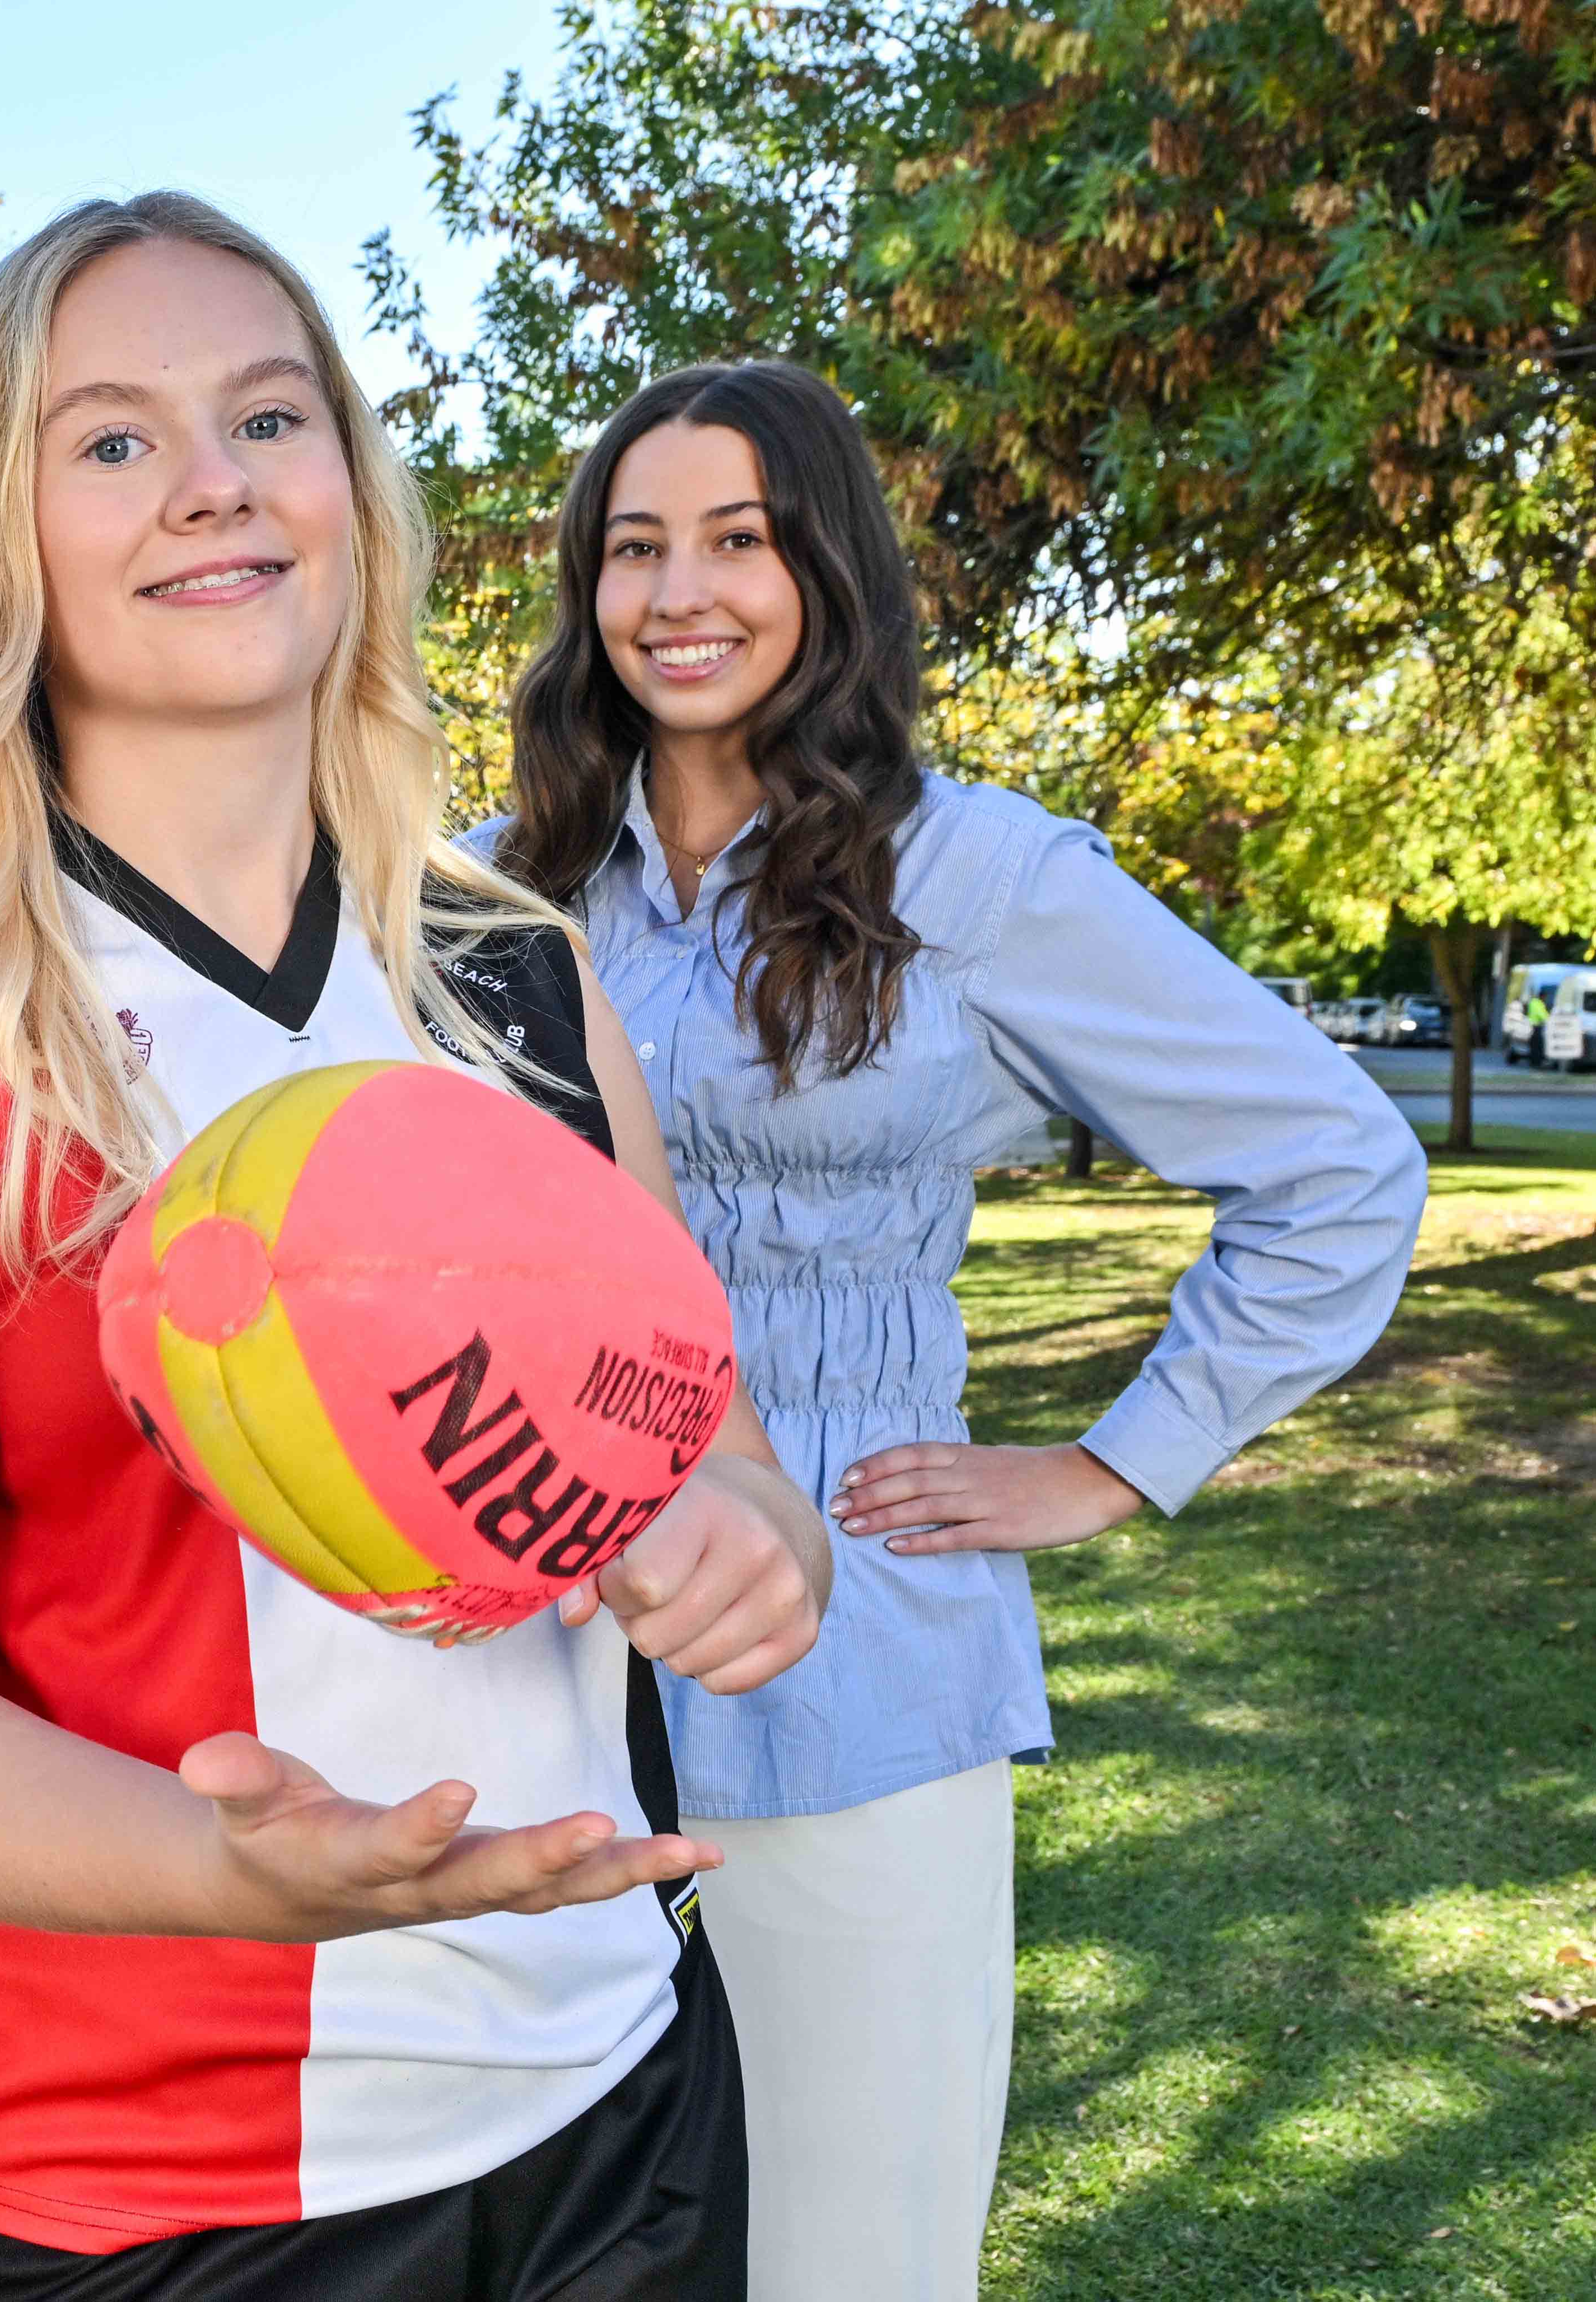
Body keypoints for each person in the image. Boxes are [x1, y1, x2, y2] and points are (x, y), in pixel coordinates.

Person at [0, 193, 830, 2302]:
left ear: (351, 487)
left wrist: (754, 1538)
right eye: (115, 441)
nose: (215, 483)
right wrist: (229, 1869)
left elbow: (707, 1441)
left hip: (607, 2093)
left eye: (269, 415)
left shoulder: (515, 972)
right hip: (137, 2189)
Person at [482, 357, 1427, 2299]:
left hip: (851, 1664)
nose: (682, 592)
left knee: (848, 2250)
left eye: (740, 539)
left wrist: (1108, 1467)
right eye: (635, 546)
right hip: (537, 1656)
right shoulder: (511, 884)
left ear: (831, 570)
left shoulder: (976, 877)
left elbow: (1339, 1167)